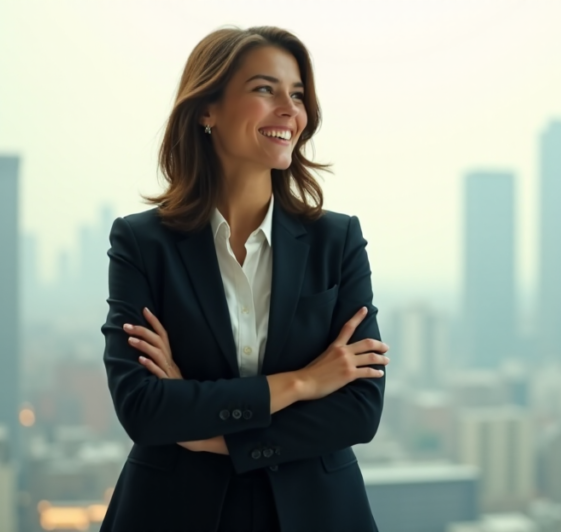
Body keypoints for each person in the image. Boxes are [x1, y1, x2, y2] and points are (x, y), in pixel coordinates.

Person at [99, 26, 389, 532]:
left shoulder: (337, 241)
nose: (289, 110)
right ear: (206, 110)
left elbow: (359, 411)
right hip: (172, 512)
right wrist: (303, 382)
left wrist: (206, 430)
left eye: (297, 95)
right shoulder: (142, 244)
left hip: (317, 513)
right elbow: (144, 409)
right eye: (265, 89)